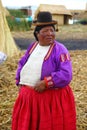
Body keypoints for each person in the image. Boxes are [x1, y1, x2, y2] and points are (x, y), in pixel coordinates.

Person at [12, 11, 76, 130]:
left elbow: (66, 74)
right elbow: (22, 63)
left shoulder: (60, 49)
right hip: (29, 99)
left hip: (49, 100)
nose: (50, 34)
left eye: (52, 30)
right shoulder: (33, 47)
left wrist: (46, 83)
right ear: (37, 34)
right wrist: (19, 80)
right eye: (45, 31)